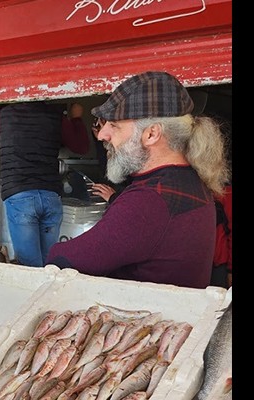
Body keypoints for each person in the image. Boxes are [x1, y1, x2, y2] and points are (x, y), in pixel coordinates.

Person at [46, 71, 230, 289]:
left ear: (152, 134)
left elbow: (63, 260)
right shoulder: (192, 179)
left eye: (114, 126)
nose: (103, 135)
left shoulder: (150, 200)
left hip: (147, 319)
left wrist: (55, 251)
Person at [0, 101, 89, 267]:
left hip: (20, 195)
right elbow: (81, 146)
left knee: (30, 267)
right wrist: (76, 118)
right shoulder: (56, 116)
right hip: (50, 196)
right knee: (49, 264)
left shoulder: (5, 114)